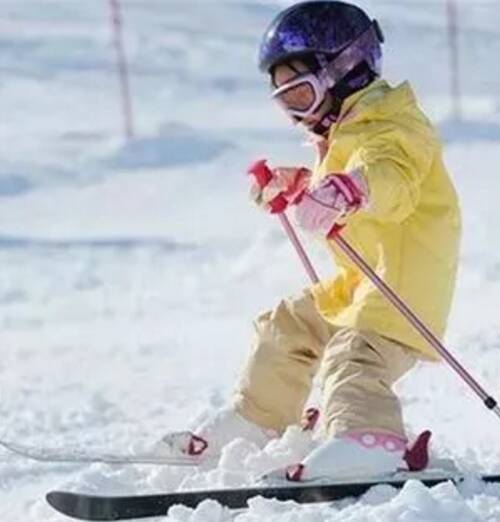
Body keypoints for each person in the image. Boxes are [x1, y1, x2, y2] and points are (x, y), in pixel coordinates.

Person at [161, 0, 461, 482]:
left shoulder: (395, 127)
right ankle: (255, 421)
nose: (297, 114)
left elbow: (391, 176)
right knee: (287, 327)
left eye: (301, 95)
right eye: (286, 102)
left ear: (347, 69)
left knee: (353, 355)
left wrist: (352, 188)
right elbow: (342, 181)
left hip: (403, 288)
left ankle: (368, 440)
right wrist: (300, 185)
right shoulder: (347, 132)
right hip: (361, 280)